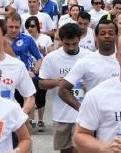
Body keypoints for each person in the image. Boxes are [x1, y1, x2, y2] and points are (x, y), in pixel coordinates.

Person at [39, 23, 89, 153]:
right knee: (66, 150)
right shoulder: (51, 58)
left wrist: (88, 86)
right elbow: (41, 83)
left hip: (83, 114)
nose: (71, 47)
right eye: (67, 44)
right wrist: (56, 82)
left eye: (75, 43)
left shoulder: (89, 57)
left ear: (80, 39)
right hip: (62, 115)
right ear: (61, 40)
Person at [59, 20, 120, 111]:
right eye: (102, 33)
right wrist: (82, 110)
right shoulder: (86, 61)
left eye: (111, 33)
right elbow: (63, 90)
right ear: (96, 36)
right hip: (96, 119)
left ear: (116, 35)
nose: (107, 36)